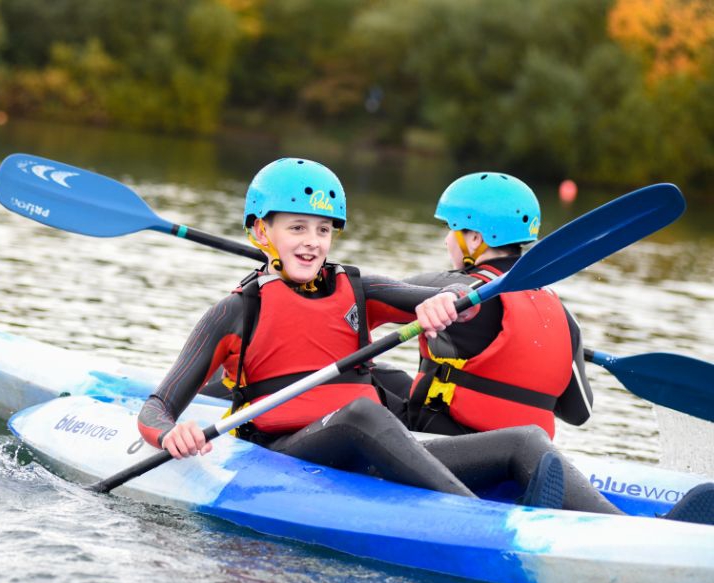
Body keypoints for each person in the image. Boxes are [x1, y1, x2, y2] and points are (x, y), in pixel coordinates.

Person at [136, 158, 714, 523]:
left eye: (321, 229)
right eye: (296, 228)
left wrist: (441, 304)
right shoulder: (234, 311)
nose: (312, 241)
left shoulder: (356, 288)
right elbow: (156, 408)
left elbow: (426, 295)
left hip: (371, 433)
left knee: (523, 444)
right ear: (262, 232)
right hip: (284, 449)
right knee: (364, 413)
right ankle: (477, 523)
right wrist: (173, 432)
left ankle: (635, 532)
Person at [376, 172, 593, 439]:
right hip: (523, 449)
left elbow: (369, 298)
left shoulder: (457, 288)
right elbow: (579, 412)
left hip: (442, 441)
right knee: (392, 375)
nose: (447, 240)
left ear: (476, 239)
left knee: (365, 373)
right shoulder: (561, 314)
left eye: (451, 229)